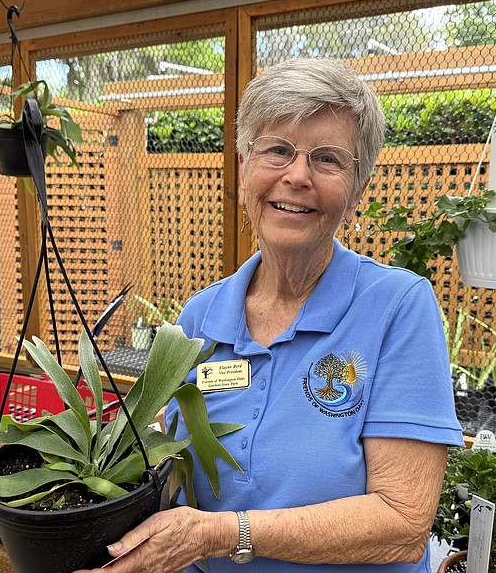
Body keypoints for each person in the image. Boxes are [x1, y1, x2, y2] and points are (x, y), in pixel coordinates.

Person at [78, 58, 463, 573]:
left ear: (358, 190)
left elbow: (402, 523)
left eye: (327, 159)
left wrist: (221, 534)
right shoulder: (200, 317)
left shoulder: (396, 307)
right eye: (277, 150)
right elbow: (173, 469)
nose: (297, 176)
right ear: (244, 170)